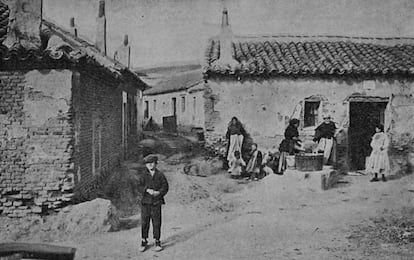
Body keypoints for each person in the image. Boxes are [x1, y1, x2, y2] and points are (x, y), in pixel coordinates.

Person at [138, 154, 169, 252]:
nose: (150, 165)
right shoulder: (143, 175)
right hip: (146, 202)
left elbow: (165, 187)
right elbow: (138, 186)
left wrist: (159, 193)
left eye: (152, 163)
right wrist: (147, 190)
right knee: (144, 222)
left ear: (156, 164)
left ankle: (157, 241)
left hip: (156, 202)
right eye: (148, 164)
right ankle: (144, 241)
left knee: (156, 222)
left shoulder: (160, 175)